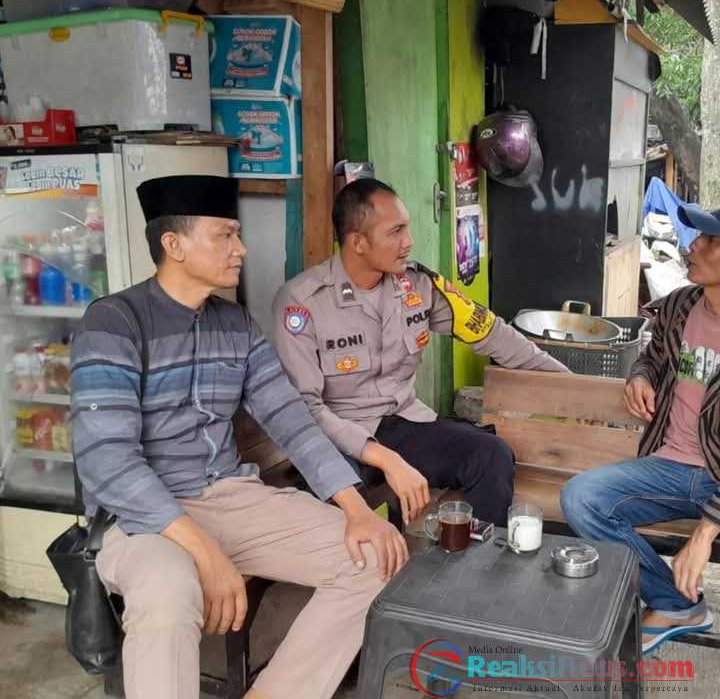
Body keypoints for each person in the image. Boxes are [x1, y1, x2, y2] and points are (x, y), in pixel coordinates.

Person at [71, 175, 407, 699]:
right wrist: (206, 553)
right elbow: (108, 460)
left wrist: (356, 508)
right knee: (168, 590)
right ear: (174, 244)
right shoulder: (113, 323)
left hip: (231, 499)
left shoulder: (235, 324)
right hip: (139, 518)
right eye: (225, 235)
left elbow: (289, 416)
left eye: (238, 234)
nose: (241, 248)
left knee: (373, 557)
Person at [272, 178, 567, 529]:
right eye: (395, 231)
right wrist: (385, 459)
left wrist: (568, 381)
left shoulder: (418, 285)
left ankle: (479, 560)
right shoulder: (302, 302)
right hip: (337, 436)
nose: (409, 241)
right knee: (334, 504)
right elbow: (306, 408)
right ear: (358, 243)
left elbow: (492, 334)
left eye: (407, 228)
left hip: (403, 424)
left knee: (491, 455)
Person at [561, 205, 720, 654]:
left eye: (710, 241)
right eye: (698, 236)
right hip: (670, 469)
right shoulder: (681, 305)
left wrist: (706, 531)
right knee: (581, 497)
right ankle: (676, 603)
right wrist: (639, 376)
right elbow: (650, 355)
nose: (693, 246)